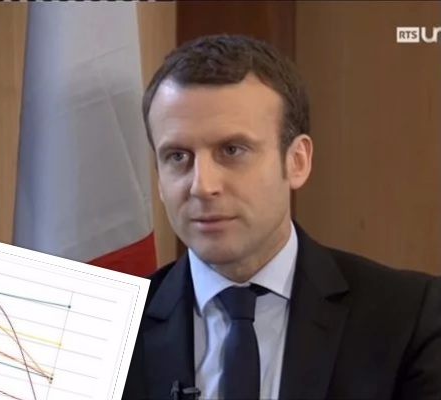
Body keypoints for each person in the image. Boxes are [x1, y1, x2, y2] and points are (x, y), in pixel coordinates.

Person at [122, 34, 441, 400]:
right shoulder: (106, 327)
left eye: (232, 150)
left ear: (297, 161)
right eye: (178, 157)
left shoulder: (409, 318)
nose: (202, 186)